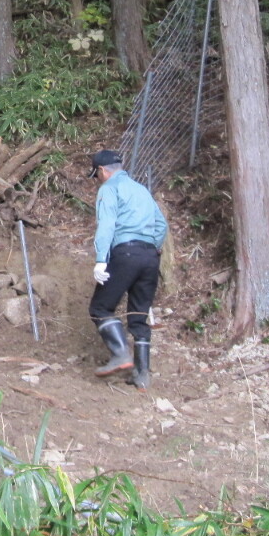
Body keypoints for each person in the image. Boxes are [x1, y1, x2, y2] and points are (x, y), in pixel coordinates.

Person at [87, 149, 167, 389]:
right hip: (150, 256)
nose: (97, 180)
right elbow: (161, 225)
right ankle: (142, 375)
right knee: (138, 316)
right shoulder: (141, 190)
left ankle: (121, 354)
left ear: (102, 171)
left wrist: (101, 259)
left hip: (126, 253)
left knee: (100, 307)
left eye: (96, 175)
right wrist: (153, 248)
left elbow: (107, 224)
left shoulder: (109, 189)